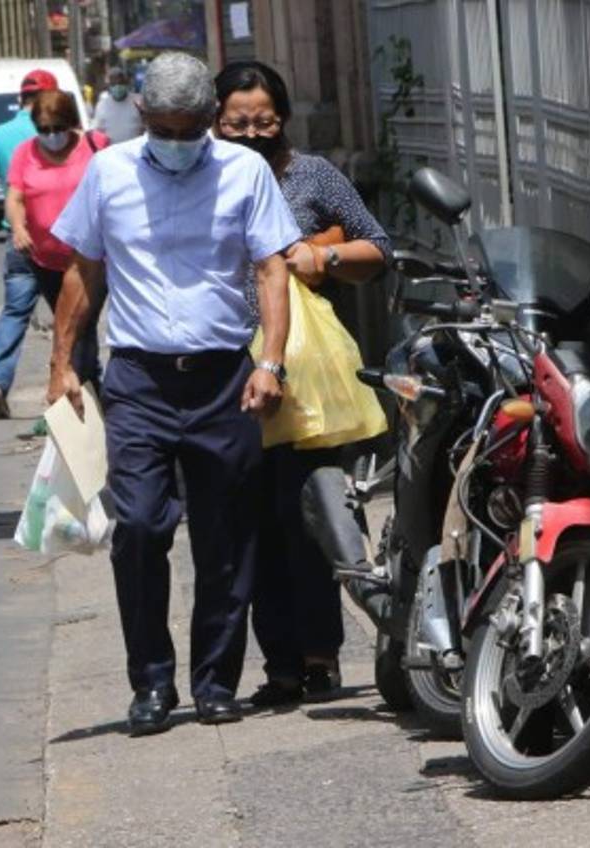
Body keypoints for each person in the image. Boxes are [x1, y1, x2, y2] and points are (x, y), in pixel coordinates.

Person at [48, 52, 300, 735]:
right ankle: (151, 684)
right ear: (144, 116)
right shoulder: (109, 172)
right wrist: (61, 363)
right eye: (165, 127)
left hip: (223, 378)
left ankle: (216, 682)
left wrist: (269, 361)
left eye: (191, 128)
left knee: (225, 539)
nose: (179, 141)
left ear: (210, 120)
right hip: (138, 380)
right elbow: (83, 270)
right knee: (138, 528)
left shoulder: (244, 173)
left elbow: (273, 269)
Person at [214, 60, 391, 707]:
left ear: (282, 119)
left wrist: (323, 257)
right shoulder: (206, 179)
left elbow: (380, 248)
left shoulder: (312, 176)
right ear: (215, 123)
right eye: (237, 123)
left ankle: (320, 656)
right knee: (251, 524)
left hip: (309, 379)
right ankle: (280, 664)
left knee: (308, 517)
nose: (252, 133)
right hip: (232, 372)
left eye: (264, 121)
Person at [0, 90, 107, 415]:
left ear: (71, 123)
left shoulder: (96, 146)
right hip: (46, 260)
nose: (51, 136)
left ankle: (86, 393)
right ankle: (87, 391)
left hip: (90, 260)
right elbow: (14, 197)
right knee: (68, 325)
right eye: (44, 130)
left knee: (81, 323)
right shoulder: (26, 153)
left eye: (57, 128)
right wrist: (19, 229)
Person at [0, 69, 58, 419]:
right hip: (58, 241)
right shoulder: (63, 133)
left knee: (14, 312)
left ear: (20, 98)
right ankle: (84, 384)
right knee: (72, 319)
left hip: (19, 237)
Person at [92, 68, 143, 143]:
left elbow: (148, 126)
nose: (117, 86)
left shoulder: (138, 101)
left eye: (120, 83)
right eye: (114, 84)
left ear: (126, 83)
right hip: (111, 152)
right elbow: (97, 132)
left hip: (136, 152)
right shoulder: (102, 106)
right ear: (109, 86)